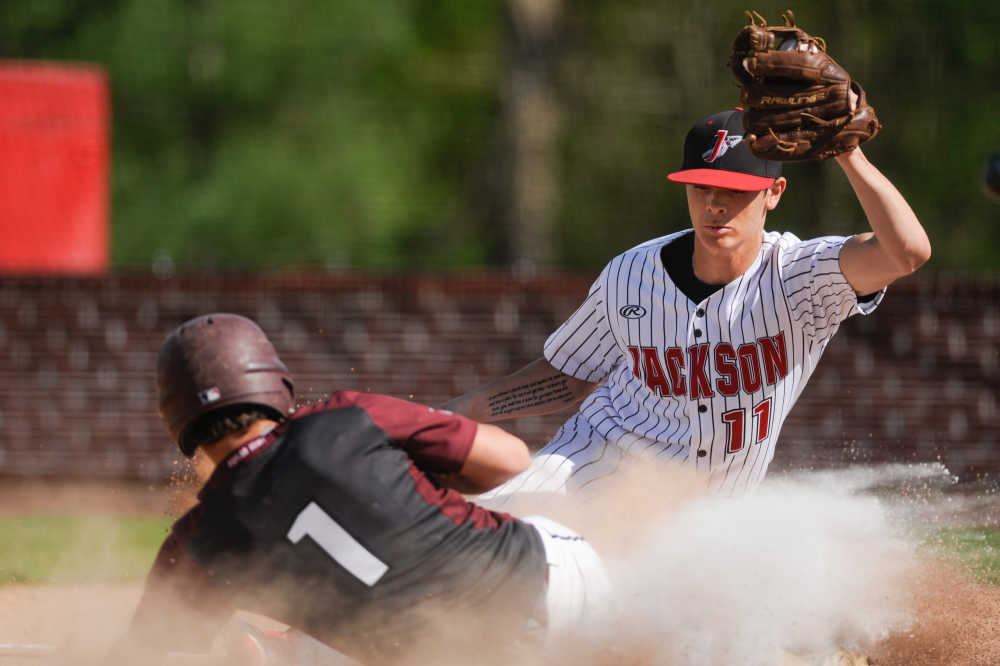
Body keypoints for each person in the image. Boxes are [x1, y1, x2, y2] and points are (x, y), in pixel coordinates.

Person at [444, 107, 931, 501]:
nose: (715, 203)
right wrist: (458, 412)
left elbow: (906, 252)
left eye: (736, 189)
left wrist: (849, 154)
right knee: (498, 540)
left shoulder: (798, 276)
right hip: (592, 465)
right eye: (702, 186)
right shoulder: (630, 274)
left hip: (709, 516)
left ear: (773, 193)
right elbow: (569, 374)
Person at [108, 313, 610, 666]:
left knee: (353, 632)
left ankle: (281, 655)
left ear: (179, 423)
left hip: (452, 655)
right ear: (270, 380)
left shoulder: (196, 540)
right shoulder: (345, 416)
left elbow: (150, 651)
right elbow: (510, 460)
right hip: (550, 589)